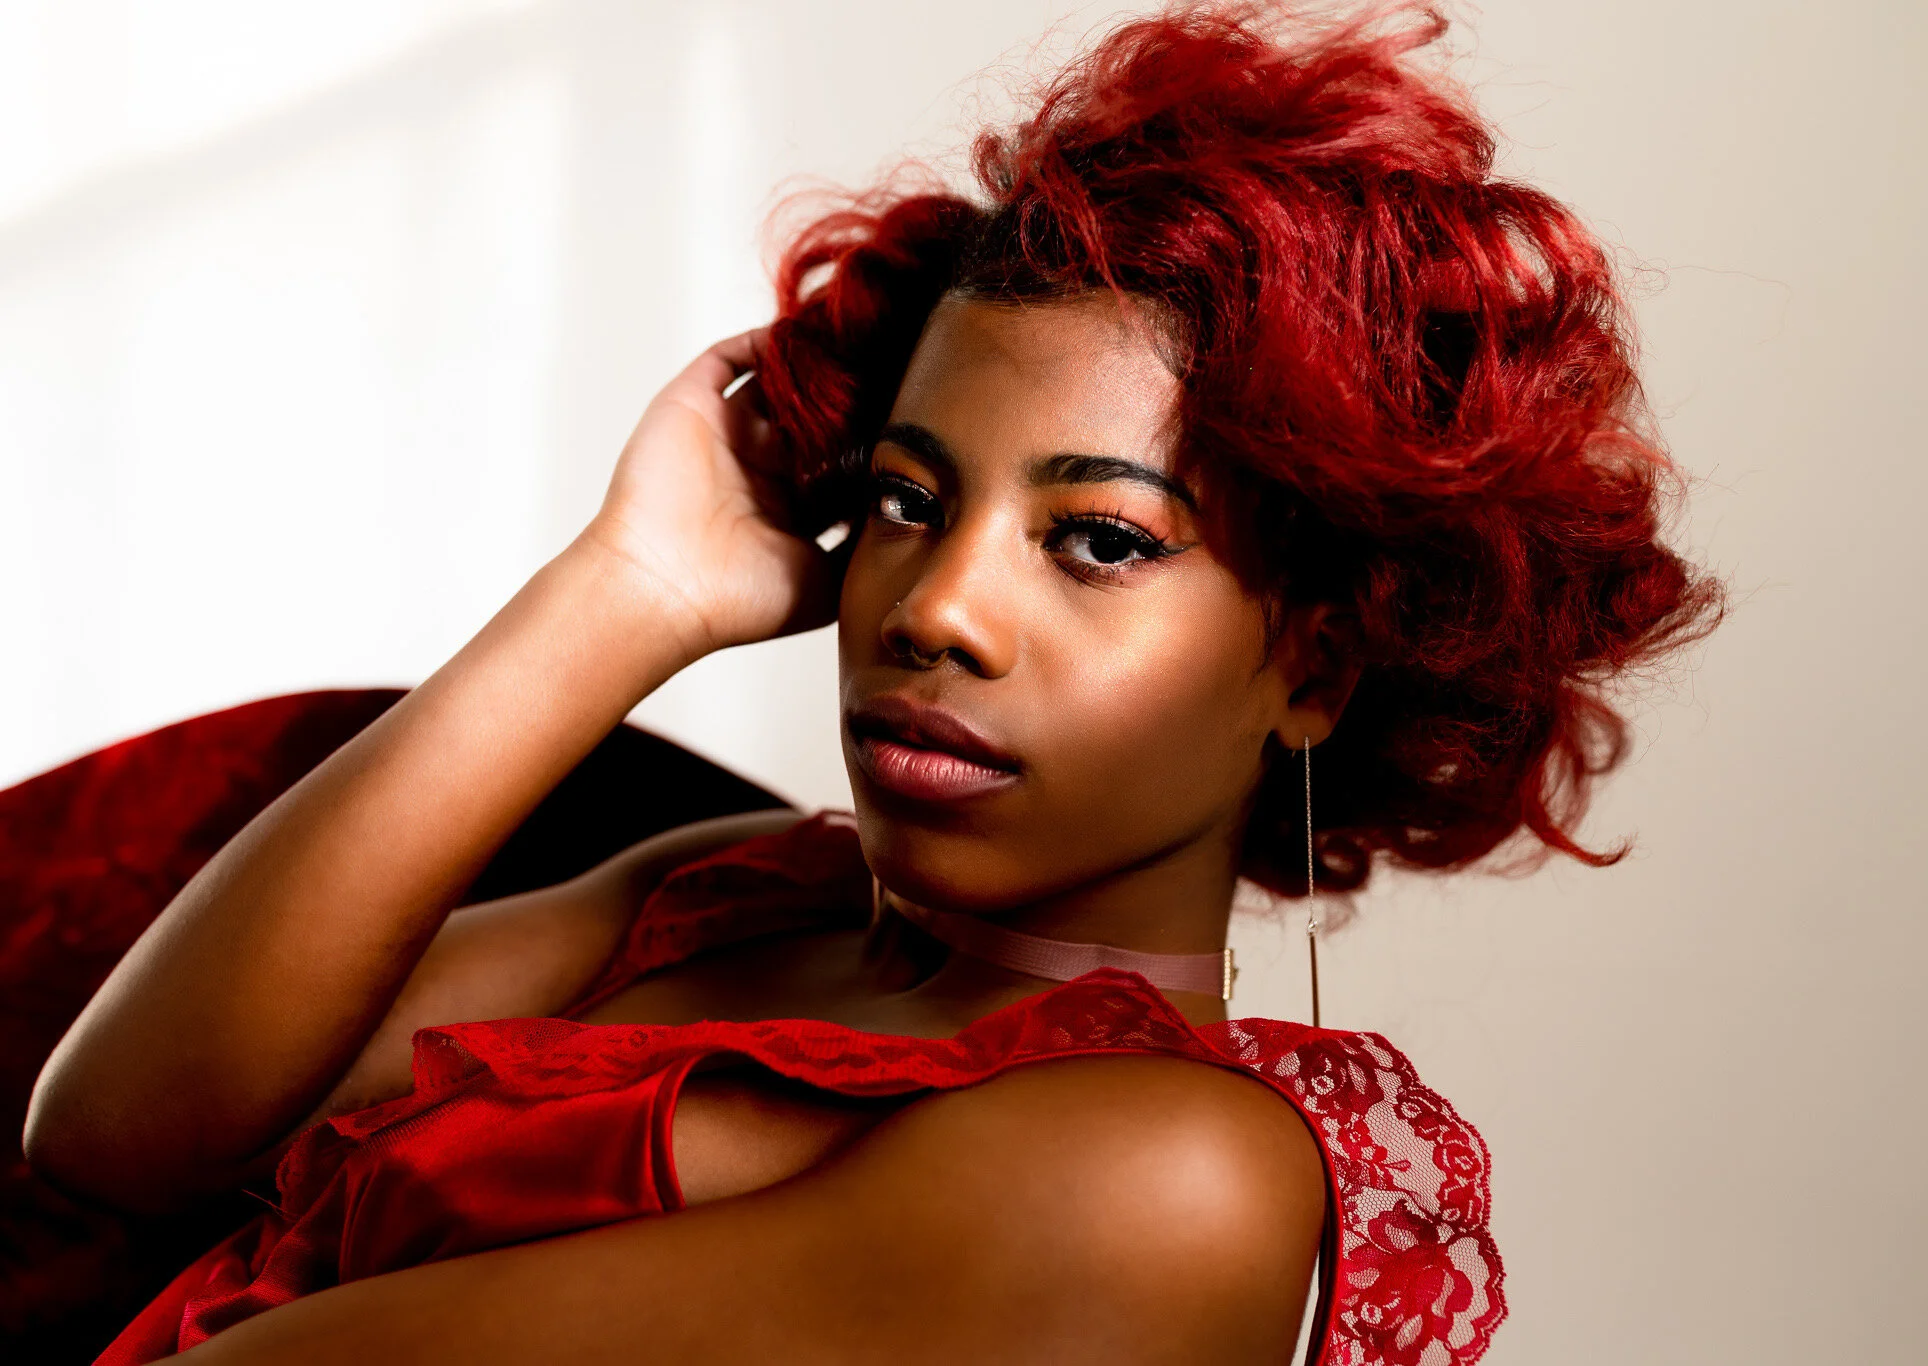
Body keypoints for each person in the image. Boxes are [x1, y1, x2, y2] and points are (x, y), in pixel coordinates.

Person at [22, 2, 1719, 1361]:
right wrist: (628, 588)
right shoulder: (724, 898)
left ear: (1316, 665)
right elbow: (114, 1132)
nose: (937, 607)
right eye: (910, 501)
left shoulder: (1166, 1179)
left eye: (1103, 541)